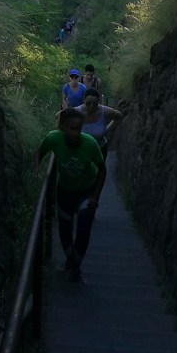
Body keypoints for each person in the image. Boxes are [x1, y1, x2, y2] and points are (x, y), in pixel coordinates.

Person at [35, 107, 106, 282]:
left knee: (83, 229)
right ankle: (70, 259)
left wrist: (95, 197)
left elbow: (102, 169)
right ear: (62, 127)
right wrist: (36, 172)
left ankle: (76, 266)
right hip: (65, 190)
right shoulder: (54, 138)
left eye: (79, 129)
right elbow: (40, 151)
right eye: (72, 128)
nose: (76, 133)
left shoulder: (90, 143)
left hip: (86, 189)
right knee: (65, 228)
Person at [77, 88, 124, 159]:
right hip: (82, 150)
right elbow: (60, 116)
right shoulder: (78, 111)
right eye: (88, 103)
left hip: (100, 150)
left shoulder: (104, 111)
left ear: (98, 101)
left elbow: (119, 116)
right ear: (84, 100)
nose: (91, 106)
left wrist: (108, 129)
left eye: (95, 103)